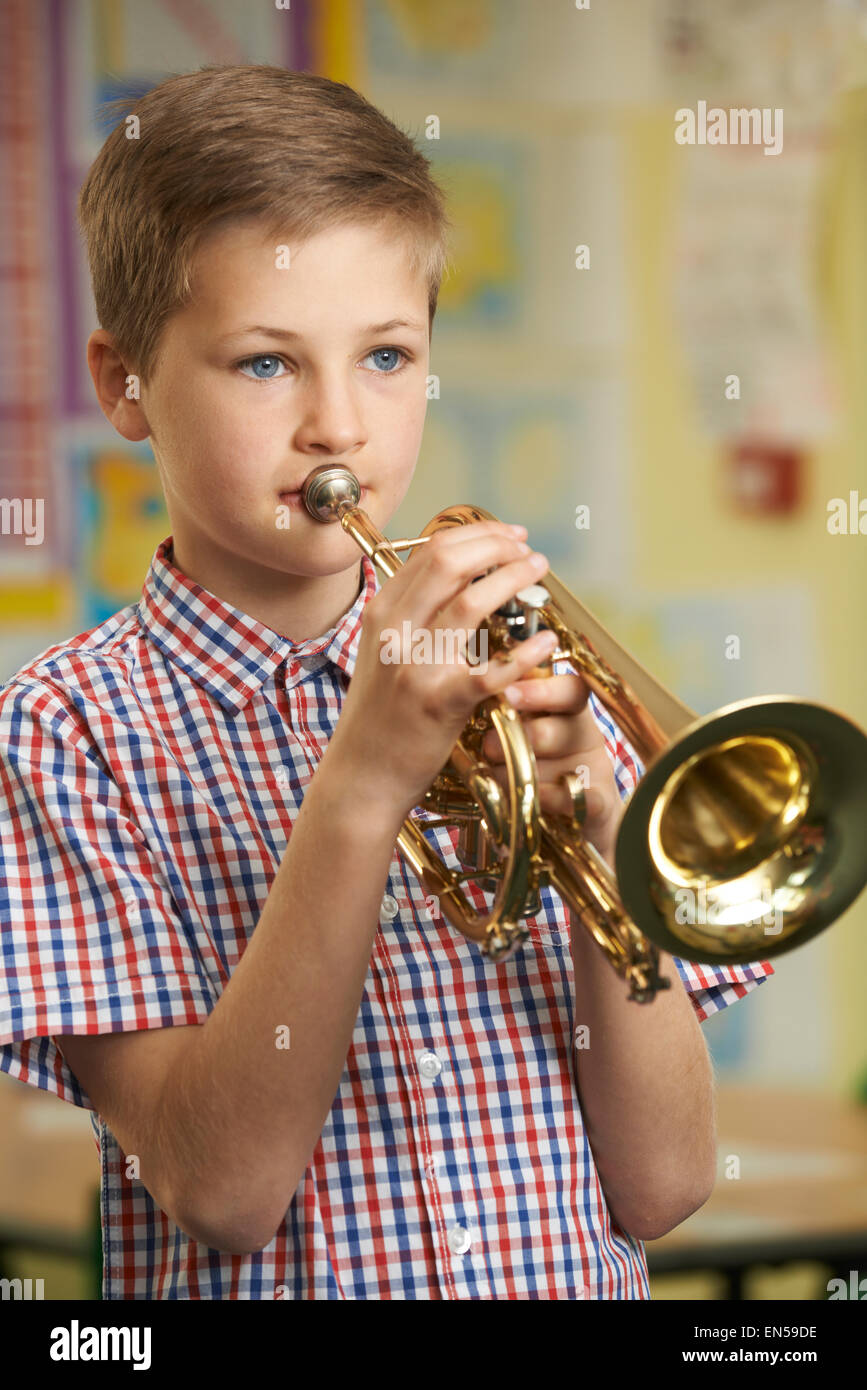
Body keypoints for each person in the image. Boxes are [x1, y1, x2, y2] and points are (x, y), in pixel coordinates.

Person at [0, 64, 772, 1300]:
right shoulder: (66, 733)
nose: (339, 428)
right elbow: (221, 1192)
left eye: (387, 357)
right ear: (124, 383)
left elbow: (668, 1182)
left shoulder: (523, 663)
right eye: (265, 364)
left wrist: (599, 831)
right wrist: (362, 782)